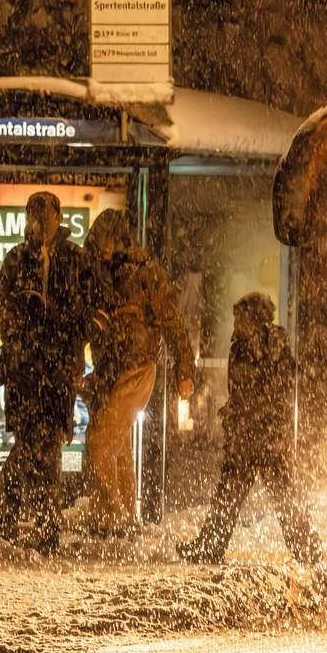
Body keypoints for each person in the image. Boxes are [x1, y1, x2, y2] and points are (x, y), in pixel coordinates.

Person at [177, 292, 321, 566]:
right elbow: (245, 391)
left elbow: (275, 390)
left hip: (264, 435)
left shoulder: (270, 348)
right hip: (248, 435)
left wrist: (249, 412)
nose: (236, 323)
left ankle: (305, 547)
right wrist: (235, 411)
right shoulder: (243, 347)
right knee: (232, 494)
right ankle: (212, 546)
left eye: (240, 317)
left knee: (279, 494)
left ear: (255, 319)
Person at [82, 210, 195, 536]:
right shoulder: (101, 273)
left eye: (103, 239)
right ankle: (119, 519)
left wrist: (185, 369)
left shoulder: (145, 274)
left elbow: (172, 322)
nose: (100, 247)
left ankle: (112, 518)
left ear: (117, 239)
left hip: (136, 368)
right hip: (109, 370)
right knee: (116, 446)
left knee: (100, 442)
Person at [0, 192, 86, 553]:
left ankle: (33, 528)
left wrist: (66, 338)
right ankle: (29, 527)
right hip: (27, 372)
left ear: (58, 217)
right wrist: (20, 338)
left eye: (45, 216)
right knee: (30, 448)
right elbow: (1, 304)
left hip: (57, 371)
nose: (39, 223)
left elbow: (88, 308)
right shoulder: (17, 258)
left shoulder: (74, 258)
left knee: (44, 451)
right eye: (34, 216)